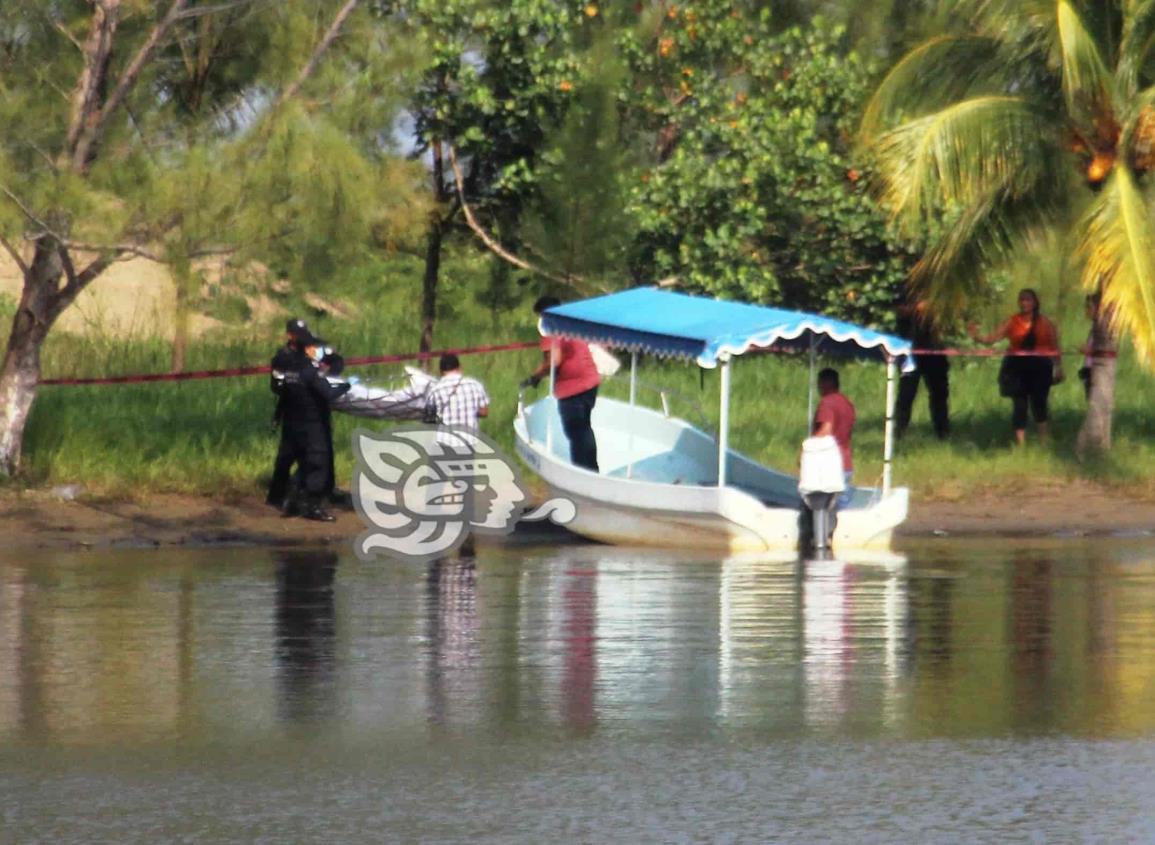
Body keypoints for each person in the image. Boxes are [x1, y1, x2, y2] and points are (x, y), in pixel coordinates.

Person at [268, 327, 351, 521]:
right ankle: (312, 506)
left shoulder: (290, 368)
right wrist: (346, 386)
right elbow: (328, 394)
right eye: (314, 346)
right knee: (317, 464)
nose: (317, 349)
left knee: (300, 463)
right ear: (307, 349)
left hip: (294, 422)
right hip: (313, 424)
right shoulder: (308, 370)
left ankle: (291, 503)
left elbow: (281, 391)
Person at [969, 288, 1062, 445]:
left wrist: (1058, 367)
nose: (1024, 303)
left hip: (1040, 367)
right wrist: (977, 336)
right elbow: (992, 338)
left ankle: (1044, 441)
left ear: (1035, 303)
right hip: (1017, 368)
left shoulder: (1045, 323)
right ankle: (1021, 445)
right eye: (1021, 299)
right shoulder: (1013, 321)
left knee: (1040, 403)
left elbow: (1054, 346)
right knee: (1020, 405)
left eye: (1028, 299)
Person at [522, 296, 600, 472]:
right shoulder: (571, 323)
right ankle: (592, 471)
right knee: (584, 430)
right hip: (590, 381)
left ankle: (582, 474)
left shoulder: (551, 327)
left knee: (576, 433)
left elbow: (554, 360)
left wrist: (535, 377)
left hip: (572, 388)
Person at [267, 318, 312, 512]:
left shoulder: (312, 354)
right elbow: (276, 385)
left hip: (311, 411)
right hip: (291, 410)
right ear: (290, 335)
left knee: (311, 454)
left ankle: (300, 492)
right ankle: (276, 496)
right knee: (286, 456)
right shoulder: (282, 357)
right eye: (297, 334)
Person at [894, 297, 950, 439]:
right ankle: (898, 431)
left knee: (939, 394)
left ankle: (942, 432)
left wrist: (931, 309)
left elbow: (946, 313)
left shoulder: (937, 288)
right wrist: (915, 309)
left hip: (934, 352)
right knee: (906, 394)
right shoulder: (907, 289)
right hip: (910, 352)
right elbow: (899, 310)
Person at [812, 368, 856, 509]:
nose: (818, 386)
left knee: (826, 510)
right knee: (842, 510)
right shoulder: (847, 404)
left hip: (829, 465)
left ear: (826, 383)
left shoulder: (827, 403)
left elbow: (826, 431)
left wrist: (805, 448)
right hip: (846, 463)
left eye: (819, 382)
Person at [424, 353, 490, 432]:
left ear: (440, 371)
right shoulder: (475, 385)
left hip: (445, 441)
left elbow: (429, 420)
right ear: (459, 367)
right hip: (469, 441)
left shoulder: (434, 390)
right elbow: (484, 412)